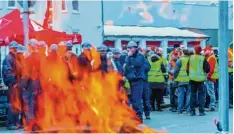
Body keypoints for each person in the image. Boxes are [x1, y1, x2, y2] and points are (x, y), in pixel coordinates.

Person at [124, 41, 146, 123]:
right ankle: (134, 116)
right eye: (128, 48)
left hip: (138, 80)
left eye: (131, 48)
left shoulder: (140, 56)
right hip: (130, 80)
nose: (129, 49)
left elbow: (137, 64)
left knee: (137, 100)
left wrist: (130, 57)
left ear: (136, 48)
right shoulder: (128, 57)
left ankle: (139, 118)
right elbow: (127, 68)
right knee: (132, 100)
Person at [2, 41, 20, 130]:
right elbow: (8, 72)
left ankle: (15, 123)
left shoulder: (13, 58)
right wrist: (14, 83)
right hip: (12, 85)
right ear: (10, 48)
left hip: (14, 85)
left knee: (15, 104)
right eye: (14, 48)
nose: (15, 49)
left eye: (16, 48)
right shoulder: (9, 58)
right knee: (12, 105)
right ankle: (10, 124)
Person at [189, 46, 210, 116]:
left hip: (192, 79)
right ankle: (201, 111)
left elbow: (187, 68)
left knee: (192, 94)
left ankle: (192, 111)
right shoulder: (203, 58)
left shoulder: (191, 58)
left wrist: (190, 74)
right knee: (201, 95)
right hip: (201, 79)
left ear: (194, 50)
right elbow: (207, 69)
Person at [174, 49, 190, 114]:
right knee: (188, 94)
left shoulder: (180, 60)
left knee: (181, 94)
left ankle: (179, 109)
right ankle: (188, 109)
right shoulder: (191, 59)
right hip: (189, 79)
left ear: (183, 53)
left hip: (181, 80)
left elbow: (176, 70)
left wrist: (175, 78)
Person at [203, 46, 218, 111]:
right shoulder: (209, 57)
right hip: (210, 77)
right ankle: (210, 105)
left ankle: (212, 105)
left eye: (205, 51)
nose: (204, 52)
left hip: (210, 78)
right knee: (210, 92)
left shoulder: (211, 58)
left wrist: (207, 76)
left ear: (209, 51)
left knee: (211, 92)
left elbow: (211, 70)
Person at [139, 48, 151, 120]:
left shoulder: (144, 60)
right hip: (138, 81)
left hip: (144, 81)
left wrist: (141, 67)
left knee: (146, 98)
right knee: (138, 99)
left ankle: (147, 113)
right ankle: (139, 113)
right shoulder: (134, 59)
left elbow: (148, 67)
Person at [228, 42, 233, 108]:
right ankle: (229, 102)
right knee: (230, 88)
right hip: (229, 72)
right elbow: (229, 63)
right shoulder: (229, 52)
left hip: (230, 72)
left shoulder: (231, 52)